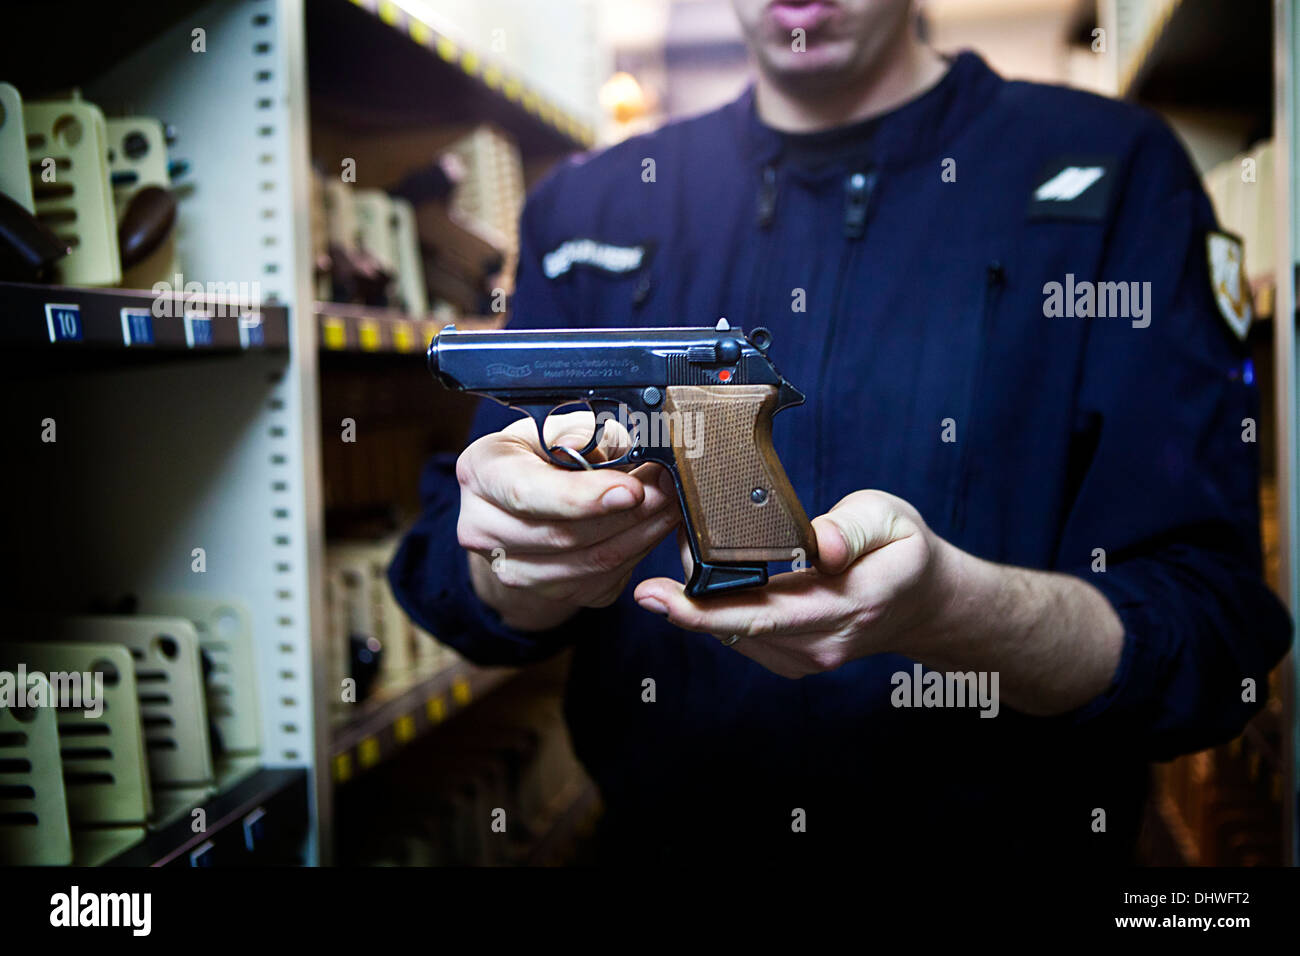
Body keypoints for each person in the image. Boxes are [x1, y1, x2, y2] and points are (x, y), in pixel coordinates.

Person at [391, 0, 1292, 863]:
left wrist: (954, 610)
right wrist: (520, 554)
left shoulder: (1114, 168)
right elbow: (453, 578)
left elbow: (1212, 635)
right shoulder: (588, 207)